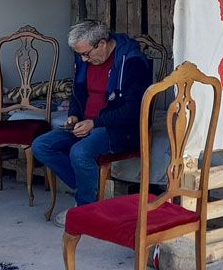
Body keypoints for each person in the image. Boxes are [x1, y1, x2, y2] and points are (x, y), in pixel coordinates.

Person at [32, 20, 154, 225]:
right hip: (86, 124)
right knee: (41, 146)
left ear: (102, 44)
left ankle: (86, 210)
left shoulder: (132, 61)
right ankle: (88, 186)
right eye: (80, 54)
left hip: (119, 129)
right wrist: (74, 115)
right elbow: (78, 93)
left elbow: (134, 111)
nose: (84, 59)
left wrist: (94, 123)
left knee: (79, 152)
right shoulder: (84, 61)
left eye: (87, 53)